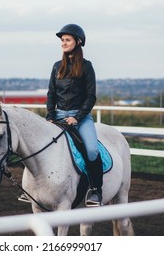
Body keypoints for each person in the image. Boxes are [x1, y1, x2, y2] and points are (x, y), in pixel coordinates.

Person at [45, 23, 103, 207]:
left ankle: (96, 190)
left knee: (92, 149)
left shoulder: (87, 67)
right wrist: (50, 115)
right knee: (37, 143)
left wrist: (77, 117)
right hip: (59, 116)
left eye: (67, 40)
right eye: (62, 40)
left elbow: (91, 96)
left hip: (81, 117)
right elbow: (51, 93)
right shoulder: (56, 67)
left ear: (78, 42)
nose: (63, 43)